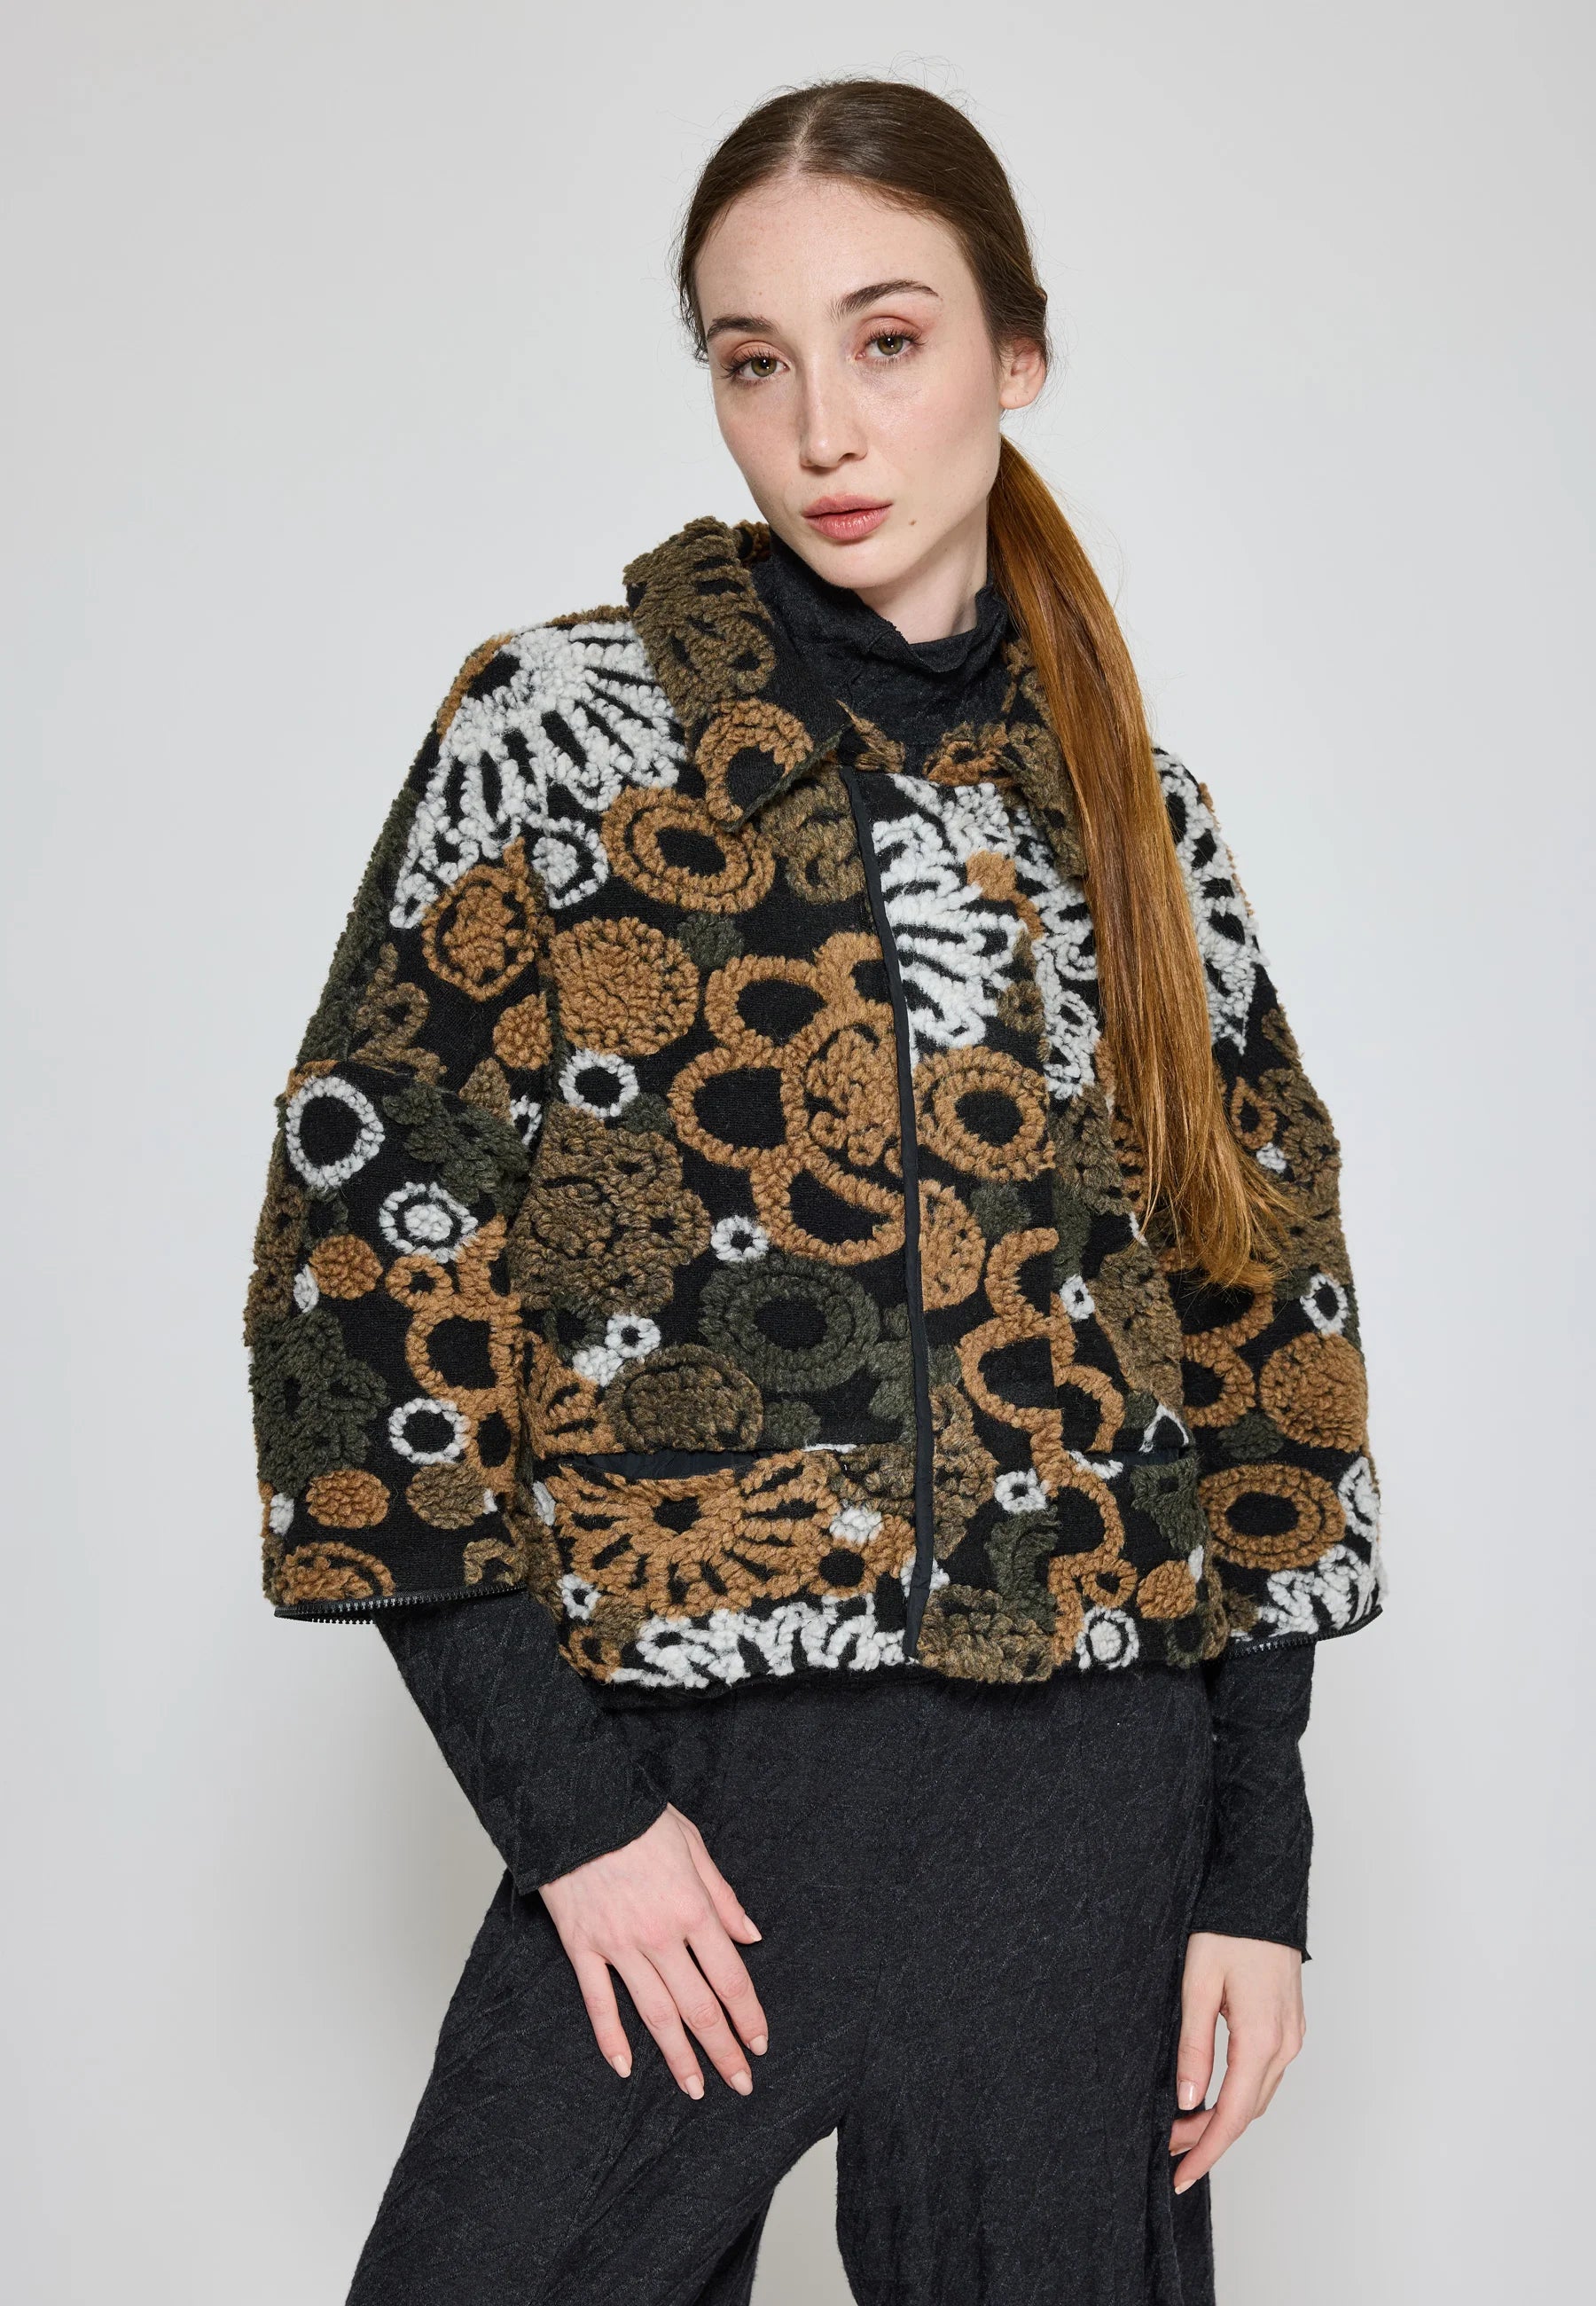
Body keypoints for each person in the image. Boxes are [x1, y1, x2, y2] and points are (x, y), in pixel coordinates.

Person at [242, 75, 1386, 2306]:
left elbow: (1263, 1327)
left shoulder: (1134, 814)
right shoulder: (560, 738)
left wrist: (1258, 1866)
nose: (821, 430)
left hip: (1091, 1805)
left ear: (1014, 353)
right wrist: (573, 1815)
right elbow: (362, 1282)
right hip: (696, 1791)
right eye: (752, 361)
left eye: (888, 341)